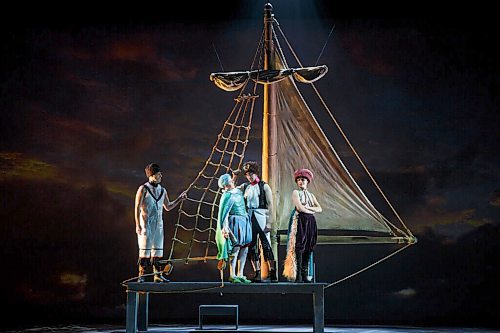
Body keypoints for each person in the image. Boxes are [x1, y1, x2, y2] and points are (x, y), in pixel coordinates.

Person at [134, 163, 187, 282]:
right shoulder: (143, 189)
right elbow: (137, 207)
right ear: (151, 175)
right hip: (146, 224)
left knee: (157, 250)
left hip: (158, 224)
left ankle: (157, 275)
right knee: (145, 250)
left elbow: (167, 206)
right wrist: (138, 224)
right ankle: (141, 276)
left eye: (160, 174)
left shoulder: (162, 190)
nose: (160, 176)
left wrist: (179, 199)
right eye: (158, 174)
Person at [237, 161, 277, 282]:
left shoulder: (264, 186)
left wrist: (270, 222)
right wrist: (234, 176)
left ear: (256, 173)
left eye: (251, 173)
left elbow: (271, 205)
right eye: (247, 174)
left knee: (266, 245)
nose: (249, 176)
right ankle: (257, 272)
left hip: (262, 216)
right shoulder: (245, 187)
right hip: (249, 217)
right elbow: (232, 189)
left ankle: (272, 272)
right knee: (251, 246)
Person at [283, 168, 322, 283]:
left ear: (307, 181)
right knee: (299, 245)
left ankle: (305, 274)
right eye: (299, 180)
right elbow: (299, 208)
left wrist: (309, 209)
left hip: (310, 222)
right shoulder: (296, 193)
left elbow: (319, 208)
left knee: (309, 246)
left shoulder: (311, 195)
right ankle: (298, 275)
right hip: (300, 220)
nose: (301, 182)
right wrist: (311, 210)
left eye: (303, 180)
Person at [216, 173, 253, 283]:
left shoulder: (237, 191)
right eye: (230, 181)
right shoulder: (227, 196)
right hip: (235, 222)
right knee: (236, 249)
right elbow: (224, 214)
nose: (232, 181)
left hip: (244, 221)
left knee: (245, 248)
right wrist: (225, 228)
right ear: (226, 184)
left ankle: (240, 273)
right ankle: (232, 274)